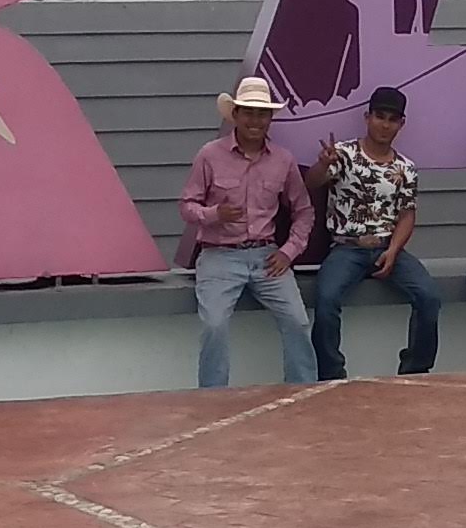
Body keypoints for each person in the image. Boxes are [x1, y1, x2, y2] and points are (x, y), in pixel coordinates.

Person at [176, 77, 317, 388]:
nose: (256, 120)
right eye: (249, 113)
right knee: (214, 325)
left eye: (262, 114)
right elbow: (187, 206)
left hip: (268, 256)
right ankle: (214, 397)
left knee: (297, 320)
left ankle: (303, 389)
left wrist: (288, 251)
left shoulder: (283, 159)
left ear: (270, 119)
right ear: (236, 115)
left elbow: (304, 211)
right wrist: (214, 215)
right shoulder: (209, 155)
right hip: (218, 255)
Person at [307, 84, 441, 378]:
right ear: (367, 117)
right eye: (380, 116)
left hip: (387, 246)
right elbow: (311, 184)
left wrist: (393, 251)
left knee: (429, 296)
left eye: (393, 119)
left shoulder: (406, 168)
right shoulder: (342, 154)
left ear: (401, 124)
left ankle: (415, 370)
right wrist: (322, 164)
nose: (385, 124)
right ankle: (330, 374)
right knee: (326, 298)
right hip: (347, 247)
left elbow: (407, 214)